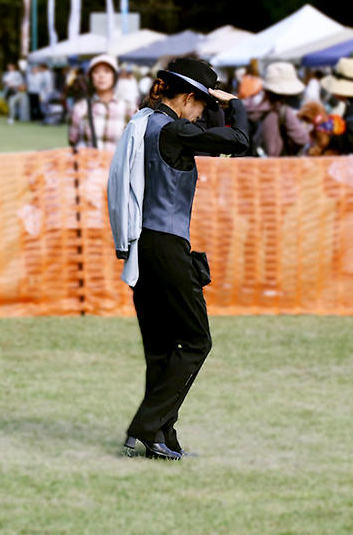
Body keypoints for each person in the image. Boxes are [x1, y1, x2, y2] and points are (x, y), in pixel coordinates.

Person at [108, 58, 249, 460]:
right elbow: (239, 141)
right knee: (196, 340)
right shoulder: (174, 130)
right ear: (189, 98)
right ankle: (146, 426)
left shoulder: (144, 122)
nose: (204, 114)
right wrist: (232, 104)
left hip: (141, 245)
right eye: (202, 105)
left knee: (162, 346)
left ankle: (160, 437)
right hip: (168, 245)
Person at [68, 54, 136, 151]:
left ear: (114, 76)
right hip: (88, 164)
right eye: (96, 72)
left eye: (107, 71)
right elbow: (73, 141)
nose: (101, 76)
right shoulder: (81, 107)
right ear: (91, 77)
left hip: (116, 165)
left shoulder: (129, 108)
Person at [246, 62, 310, 157]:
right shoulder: (283, 111)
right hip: (280, 164)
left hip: (260, 160)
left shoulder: (254, 106)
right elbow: (302, 139)